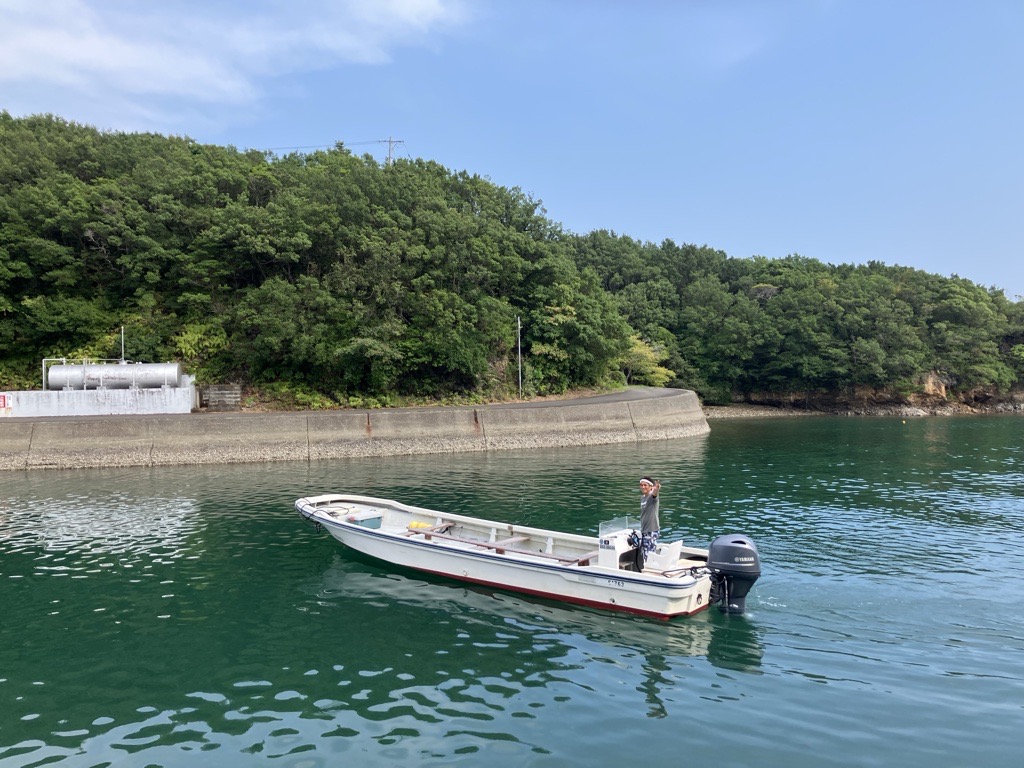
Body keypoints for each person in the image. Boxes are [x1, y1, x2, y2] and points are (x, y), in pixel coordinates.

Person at [638, 476, 661, 562]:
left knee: (650, 555)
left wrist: (656, 489)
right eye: (641, 485)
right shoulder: (643, 498)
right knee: (645, 554)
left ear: (651, 486)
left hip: (651, 530)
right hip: (644, 530)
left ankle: (650, 572)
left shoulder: (652, 497)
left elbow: (655, 494)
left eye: (645, 485)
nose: (643, 487)